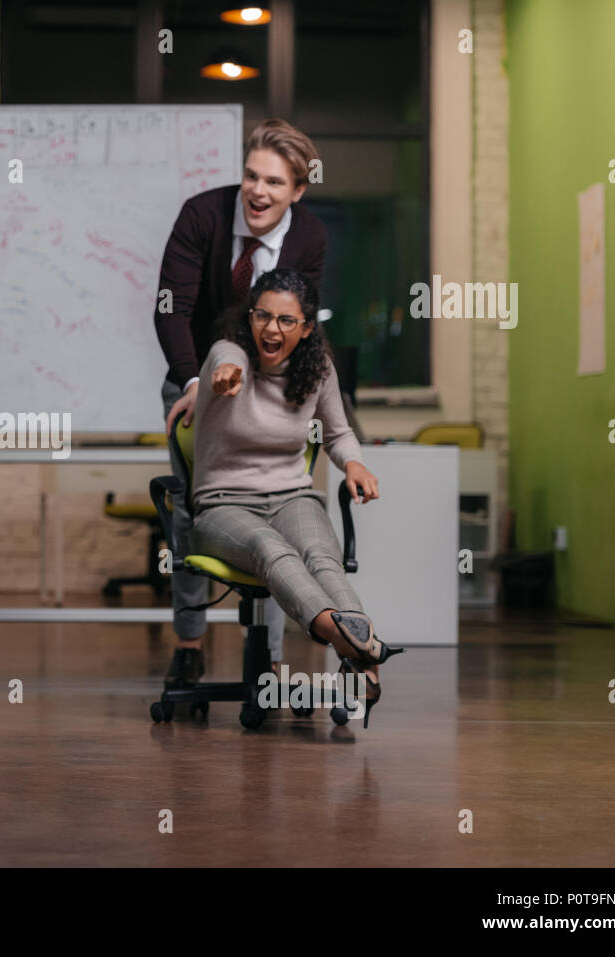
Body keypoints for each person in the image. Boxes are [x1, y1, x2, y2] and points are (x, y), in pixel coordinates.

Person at [153, 119, 327, 689]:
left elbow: (300, 326)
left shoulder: (309, 238)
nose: (258, 191)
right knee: (188, 507)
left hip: (271, 386)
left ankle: (269, 659)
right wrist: (192, 379)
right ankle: (189, 643)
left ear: (298, 191)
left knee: (277, 506)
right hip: (194, 378)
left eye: (275, 183)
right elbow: (170, 309)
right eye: (252, 176)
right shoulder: (201, 214)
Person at [189, 269, 400, 727]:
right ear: (249, 318)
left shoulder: (317, 368)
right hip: (222, 504)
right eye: (262, 316)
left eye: (287, 321)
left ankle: (359, 648)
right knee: (271, 548)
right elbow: (226, 364)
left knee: (322, 556)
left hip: (290, 496)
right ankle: (353, 646)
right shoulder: (228, 355)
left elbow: (339, 432)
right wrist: (224, 377)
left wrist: (356, 465)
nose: (271, 328)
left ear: (306, 327)